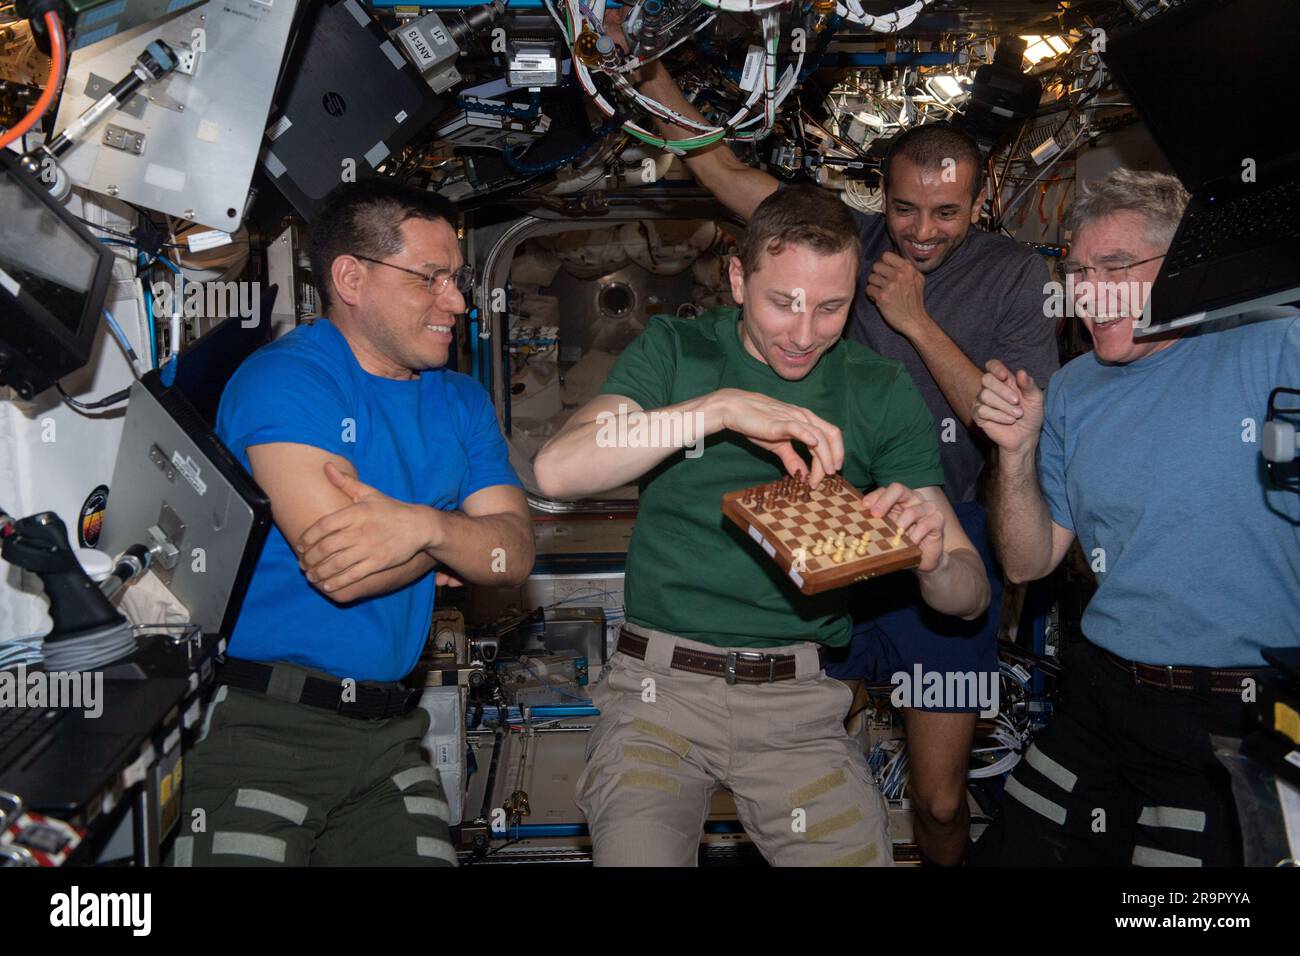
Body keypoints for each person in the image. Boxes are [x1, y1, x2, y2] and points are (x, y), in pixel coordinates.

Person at [607, 7, 1057, 864]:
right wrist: (641, 73)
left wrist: (914, 321)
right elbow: (722, 169)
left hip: (938, 526)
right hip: (829, 537)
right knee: (806, 757)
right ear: (880, 198)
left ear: (983, 197)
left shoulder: (1014, 274)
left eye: (947, 213)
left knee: (936, 795)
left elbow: (1002, 421)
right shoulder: (845, 248)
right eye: (906, 209)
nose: (922, 231)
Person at [534, 185, 989, 866]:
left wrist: (933, 560)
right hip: (659, 699)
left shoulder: (879, 388)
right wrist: (717, 408)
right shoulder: (674, 349)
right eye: (785, 304)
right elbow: (557, 471)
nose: (805, 335)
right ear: (740, 279)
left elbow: (970, 596)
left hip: (798, 707)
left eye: (832, 308)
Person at [171, 179, 534, 867]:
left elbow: (512, 558)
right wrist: (455, 535)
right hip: (264, 728)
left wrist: (421, 528)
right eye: (431, 279)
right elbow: (344, 570)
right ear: (351, 278)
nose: (456, 301)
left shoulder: (460, 400)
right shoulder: (286, 382)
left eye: (456, 280)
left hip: (391, 733)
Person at [969, 168, 1300, 866]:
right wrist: (1017, 453)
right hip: (1103, 698)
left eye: (1115, 267)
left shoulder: (1271, 346)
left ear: (1183, 267)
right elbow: (1028, 562)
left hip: (1234, 719)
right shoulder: (1071, 390)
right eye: (1078, 269)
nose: (1088, 291)